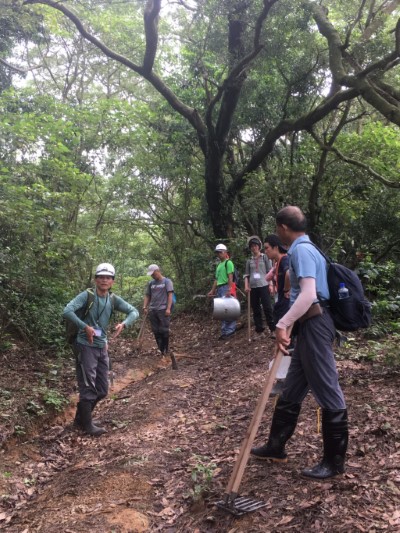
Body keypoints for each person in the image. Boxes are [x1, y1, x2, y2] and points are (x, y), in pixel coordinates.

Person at [251, 206, 348, 480]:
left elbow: (307, 295)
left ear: (283, 228)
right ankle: (275, 446)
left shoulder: (302, 251)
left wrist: (282, 324)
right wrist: (291, 327)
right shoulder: (305, 249)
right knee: (292, 387)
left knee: (328, 390)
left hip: (316, 325)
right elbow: (301, 298)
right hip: (307, 326)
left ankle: (334, 462)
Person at [63, 263, 139, 436]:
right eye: (101, 277)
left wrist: (124, 324)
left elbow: (134, 311)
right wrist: (84, 327)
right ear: (95, 279)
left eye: (108, 278)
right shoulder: (87, 296)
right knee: (88, 386)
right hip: (84, 346)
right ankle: (87, 426)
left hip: (101, 346)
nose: (104, 280)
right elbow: (67, 310)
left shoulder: (112, 299)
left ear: (112, 281)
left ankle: (82, 419)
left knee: (102, 389)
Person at [264, 234, 291, 396]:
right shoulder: (278, 262)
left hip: (285, 308)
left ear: (275, 247)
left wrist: (286, 290)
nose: (265, 251)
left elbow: (288, 275)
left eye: (267, 248)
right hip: (281, 306)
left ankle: (283, 381)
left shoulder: (285, 260)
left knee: (284, 342)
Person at [244, 236, 274, 335]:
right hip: (253, 287)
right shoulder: (249, 260)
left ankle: (272, 329)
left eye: (256, 245)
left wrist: (270, 285)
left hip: (264, 284)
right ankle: (259, 330)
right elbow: (246, 275)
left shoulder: (265, 257)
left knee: (267, 307)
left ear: (259, 246)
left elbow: (270, 271)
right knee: (256, 309)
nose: (254, 248)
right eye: (252, 246)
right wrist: (246, 286)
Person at [207, 243, 236, 340]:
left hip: (226, 287)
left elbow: (230, 276)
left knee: (229, 309)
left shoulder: (229, 263)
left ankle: (230, 330)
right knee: (222, 311)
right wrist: (212, 290)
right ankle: (224, 331)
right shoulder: (219, 265)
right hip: (220, 288)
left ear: (225, 252)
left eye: (220, 252)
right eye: (217, 253)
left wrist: (230, 289)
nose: (219, 254)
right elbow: (216, 279)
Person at [143, 264, 174, 354]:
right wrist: (144, 306)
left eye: (153, 273)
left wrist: (168, 308)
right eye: (151, 274)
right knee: (156, 331)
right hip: (152, 310)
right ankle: (161, 350)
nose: (152, 275)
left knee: (164, 330)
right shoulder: (151, 283)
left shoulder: (167, 282)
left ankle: (166, 349)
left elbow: (170, 295)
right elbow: (147, 295)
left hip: (163, 309)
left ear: (158, 271)